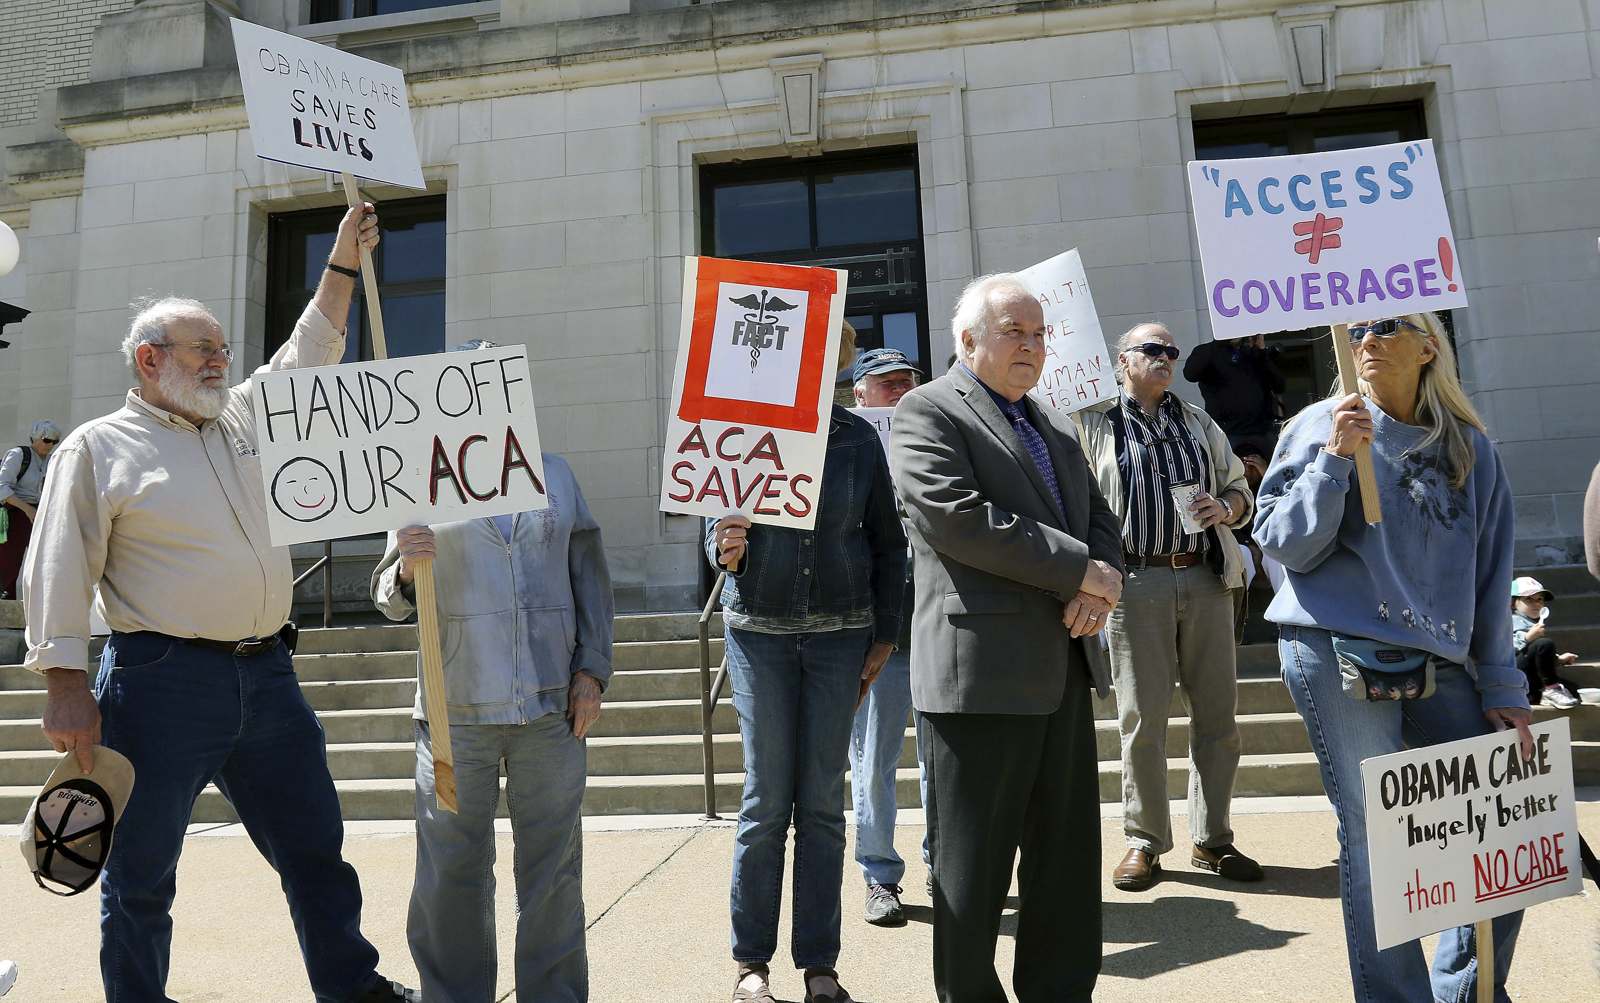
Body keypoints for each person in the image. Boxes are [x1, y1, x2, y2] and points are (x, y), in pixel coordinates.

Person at [23, 204, 418, 1003]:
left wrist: (341, 261)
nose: (221, 362)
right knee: (141, 871)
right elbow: (57, 564)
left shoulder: (243, 416)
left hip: (268, 677)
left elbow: (310, 346)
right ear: (148, 358)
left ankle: (352, 987)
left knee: (316, 847)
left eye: (223, 350)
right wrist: (64, 681)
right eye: (205, 350)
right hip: (159, 682)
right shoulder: (99, 447)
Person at [1254, 312, 1534, 1002]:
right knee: (1377, 839)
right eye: (1356, 332)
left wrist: (1503, 680)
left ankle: (1467, 990)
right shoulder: (1322, 421)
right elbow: (1284, 545)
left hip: (1438, 656)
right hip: (1335, 648)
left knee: (1506, 819)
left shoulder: (1471, 447)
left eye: (1386, 326)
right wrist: (1332, 461)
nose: (1366, 340)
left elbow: (1492, 574)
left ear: (1430, 344)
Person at [891, 273, 1122, 1003]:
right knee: (972, 875)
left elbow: (1099, 518)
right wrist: (1078, 571)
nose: (1031, 345)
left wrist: (1101, 576)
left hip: (1063, 669)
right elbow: (957, 519)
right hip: (979, 678)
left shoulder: (1053, 424)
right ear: (967, 340)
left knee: (1065, 870)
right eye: (1014, 332)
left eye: (1039, 333)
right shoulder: (926, 411)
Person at [370, 339, 613, 1002]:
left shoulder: (556, 474)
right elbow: (387, 599)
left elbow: (589, 575)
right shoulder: (422, 478)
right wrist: (404, 567)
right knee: (451, 872)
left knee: (554, 871)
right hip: (454, 719)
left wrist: (592, 667)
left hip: (551, 715)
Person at [709, 322, 907, 1003]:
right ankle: (750, 964)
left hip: (840, 634)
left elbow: (888, 539)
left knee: (822, 803)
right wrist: (723, 543)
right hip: (758, 631)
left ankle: (820, 964)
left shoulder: (857, 439)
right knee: (766, 799)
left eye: (824, 356)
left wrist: (886, 632)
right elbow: (716, 535)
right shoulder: (737, 430)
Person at [1075, 323, 1261, 892]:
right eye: (1152, 350)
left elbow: (1240, 489)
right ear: (1122, 359)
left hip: (1204, 576)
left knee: (1218, 717)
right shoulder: (1093, 423)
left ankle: (1213, 839)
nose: (1165, 359)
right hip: (1135, 580)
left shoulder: (1197, 420)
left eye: (1172, 352)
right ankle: (1144, 841)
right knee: (1142, 719)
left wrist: (1226, 507)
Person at [847, 346, 924, 925]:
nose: (901, 391)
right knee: (873, 760)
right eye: (888, 383)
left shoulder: (936, 443)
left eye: (908, 382)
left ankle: (947, 864)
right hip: (877, 634)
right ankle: (879, 875)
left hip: (938, 625)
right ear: (860, 394)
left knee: (946, 759)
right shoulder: (846, 453)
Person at [1183, 333, 1285, 449]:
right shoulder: (1207, 352)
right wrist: (1219, 341)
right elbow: (1190, 374)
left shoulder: (1254, 354)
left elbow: (1279, 386)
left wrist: (1261, 351)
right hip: (1227, 433)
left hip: (1262, 432)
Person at [0, 419, 59, 599]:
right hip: (15, 511)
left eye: (54, 442)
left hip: (39, 512)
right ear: (35, 437)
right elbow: (2, 487)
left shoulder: (52, 460)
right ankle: (4, 599)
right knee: (9, 560)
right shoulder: (19, 454)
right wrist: (27, 509)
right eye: (46, 440)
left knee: (43, 560)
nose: (50, 445)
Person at [1510, 576, 1581, 709]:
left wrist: (1558, 660)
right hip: (1515, 674)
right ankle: (1551, 689)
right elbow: (1505, 650)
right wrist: (1527, 638)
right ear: (1513, 603)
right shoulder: (1510, 621)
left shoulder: (1534, 623)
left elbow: (1535, 657)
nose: (1536, 604)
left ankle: (1543, 694)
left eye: (1539, 599)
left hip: (1532, 679)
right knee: (1544, 644)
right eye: (1528, 599)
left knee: (1574, 690)